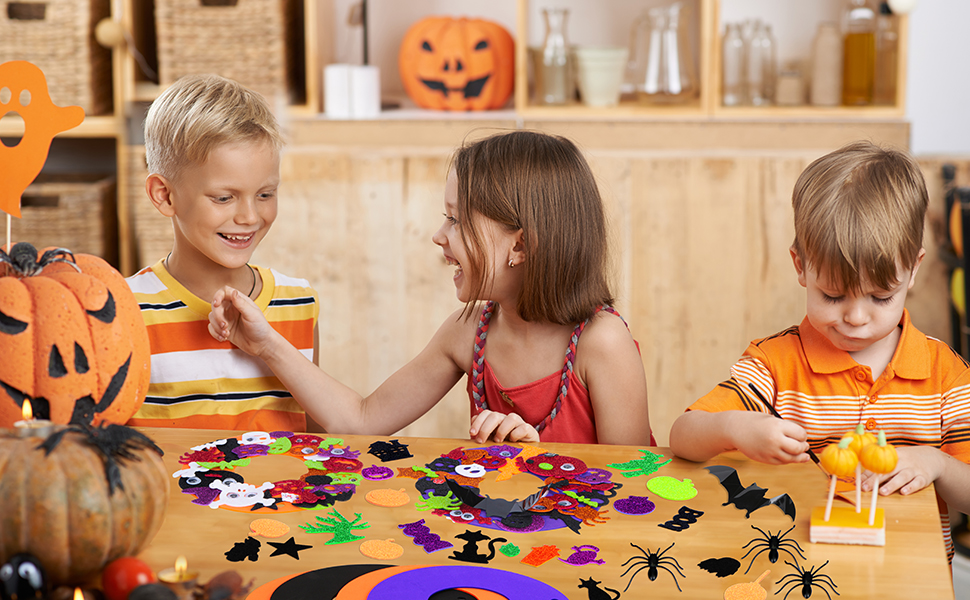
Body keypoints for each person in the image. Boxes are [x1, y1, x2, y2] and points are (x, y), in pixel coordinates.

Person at [208, 130, 652, 445]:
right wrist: (267, 344)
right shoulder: (469, 332)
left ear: (520, 244)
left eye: (456, 220)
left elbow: (635, 485)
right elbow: (363, 421)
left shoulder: (602, 342)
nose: (439, 235)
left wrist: (539, 460)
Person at [669, 141, 970, 557]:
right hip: (799, 572)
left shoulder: (945, 374)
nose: (856, 317)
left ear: (914, 270)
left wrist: (937, 464)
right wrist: (734, 428)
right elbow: (682, 436)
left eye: (881, 297)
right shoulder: (775, 364)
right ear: (801, 267)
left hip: (910, 578)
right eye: (832, 296)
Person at [125, 74, 320, 432]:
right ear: (164, 196)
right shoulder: (126, 310)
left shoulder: (299, 301)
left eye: (265, 194)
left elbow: (323, 443)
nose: (249, 217)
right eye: (223, 198)